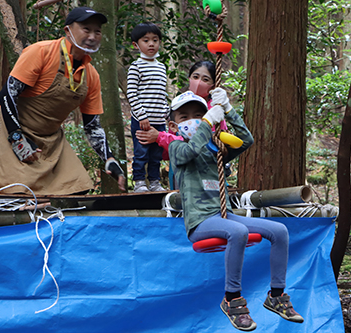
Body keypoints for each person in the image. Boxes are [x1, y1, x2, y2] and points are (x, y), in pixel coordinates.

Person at [168, 90, 304, 331]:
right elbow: (190, 152)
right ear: (173, 124)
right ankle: (232, 299)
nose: (194, 119)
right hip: (200, 222)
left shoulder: (214, 149)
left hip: (223, 216)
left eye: (199, 114)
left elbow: (246, 140)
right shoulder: (176, 148)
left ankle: (276, 295)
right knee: (238, 231)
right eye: (184, 116)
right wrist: (208, 121)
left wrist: (228, 109)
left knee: (280, 231)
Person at [0, 7, 126, 194]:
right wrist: (17, 138)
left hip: (51, 139)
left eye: (97, 31)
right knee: (19, 190)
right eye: (86, 29)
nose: (92, 36)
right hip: (13, 129)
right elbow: (7, 94)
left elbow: (92, 126)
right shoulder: (40, 52)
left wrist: (109, 159)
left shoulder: (92, 77)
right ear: (68, 30)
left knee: (77, 188)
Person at [134, 60, 229, 189]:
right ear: (189, 79)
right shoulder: (178, 106)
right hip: (181, 174)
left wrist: (160, 137)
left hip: (207, 173)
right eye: (195, 77)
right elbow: (169, 152)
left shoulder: (215, 111)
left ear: (213, 86)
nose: (199, 82)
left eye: (205, 79)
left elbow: (204, 146)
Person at [126, 22, 169, 193]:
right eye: (146, 40)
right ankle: (139, 182)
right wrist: (141, 115)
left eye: (155, 40)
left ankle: (154, 182)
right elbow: (131, 93)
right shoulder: (136, 67)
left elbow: (161, 93)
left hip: (159, 121)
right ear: (136, 45)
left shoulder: (161, 67)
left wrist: (167, 114)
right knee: (141, 152)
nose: (151, 44)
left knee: (156, 155)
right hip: (142, 120)